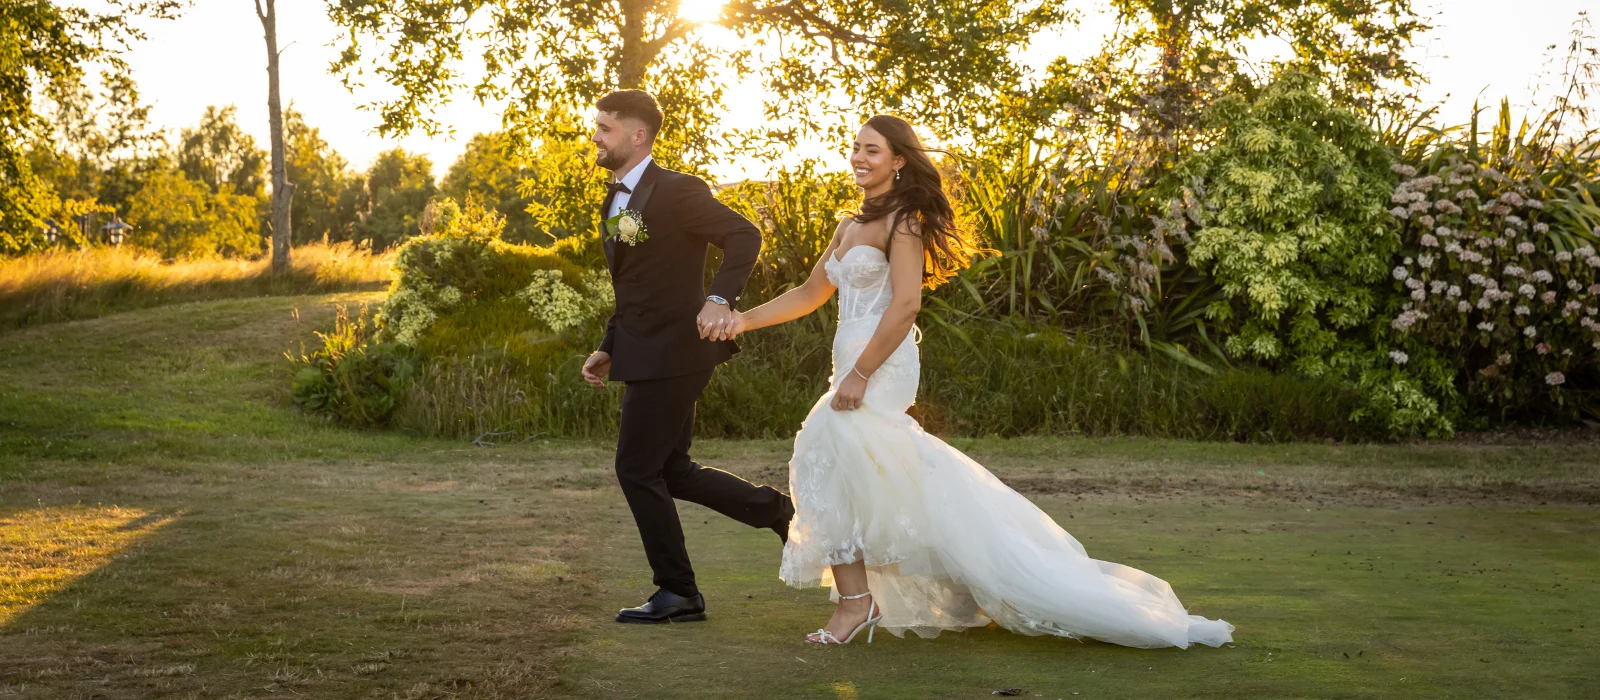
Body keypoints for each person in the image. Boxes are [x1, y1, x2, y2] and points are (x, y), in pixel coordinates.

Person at [727, 115, 1235, 648]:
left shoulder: (903, 223)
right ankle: (928, 584)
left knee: (830, 449)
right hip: (849, 362)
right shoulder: (849, 225)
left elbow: (906, 305)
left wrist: (860, 373)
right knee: (856, 469)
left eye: (872, 150)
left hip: (880, 364)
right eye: (855, 147)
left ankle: (859, 603)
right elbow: (810, 293)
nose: (859, 157)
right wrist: (742, 320)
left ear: (898, 161)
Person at [580, 89, 794, 625]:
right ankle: (781, 513)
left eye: (605, 128)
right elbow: (634, 285)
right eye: (597, 126)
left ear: (638, 136)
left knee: (635, 468)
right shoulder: (614, 200)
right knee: (671, 470)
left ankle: (677, 591)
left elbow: (744, 234)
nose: (596, 136)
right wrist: (609, 345)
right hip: (644, 349)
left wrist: (719, 299)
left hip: (677, 350)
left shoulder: (678, 190)